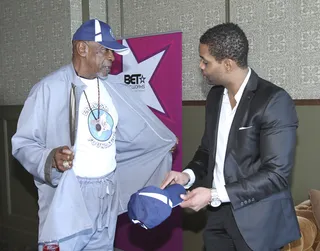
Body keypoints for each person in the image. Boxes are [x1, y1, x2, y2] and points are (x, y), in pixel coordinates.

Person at [12, 19, 176, 251]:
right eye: (104, 50)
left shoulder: (116, 88)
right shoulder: (49, 89)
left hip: (107, 190)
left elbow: (135, 133)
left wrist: (161, 145)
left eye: (112, 51)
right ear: (82, 48)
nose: (111, 57)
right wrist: (51, 158)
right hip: (70, 193)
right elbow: (23, 144)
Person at [161, 23, 300, 251]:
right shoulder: (215, 97)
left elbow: (277, 174)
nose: (201, 66)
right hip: (217, 217)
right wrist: (187, 175)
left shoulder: (274, 101)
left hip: (258, 222)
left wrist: (214, 194)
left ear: (227, 64)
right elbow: (208, 151)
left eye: (205, 61)